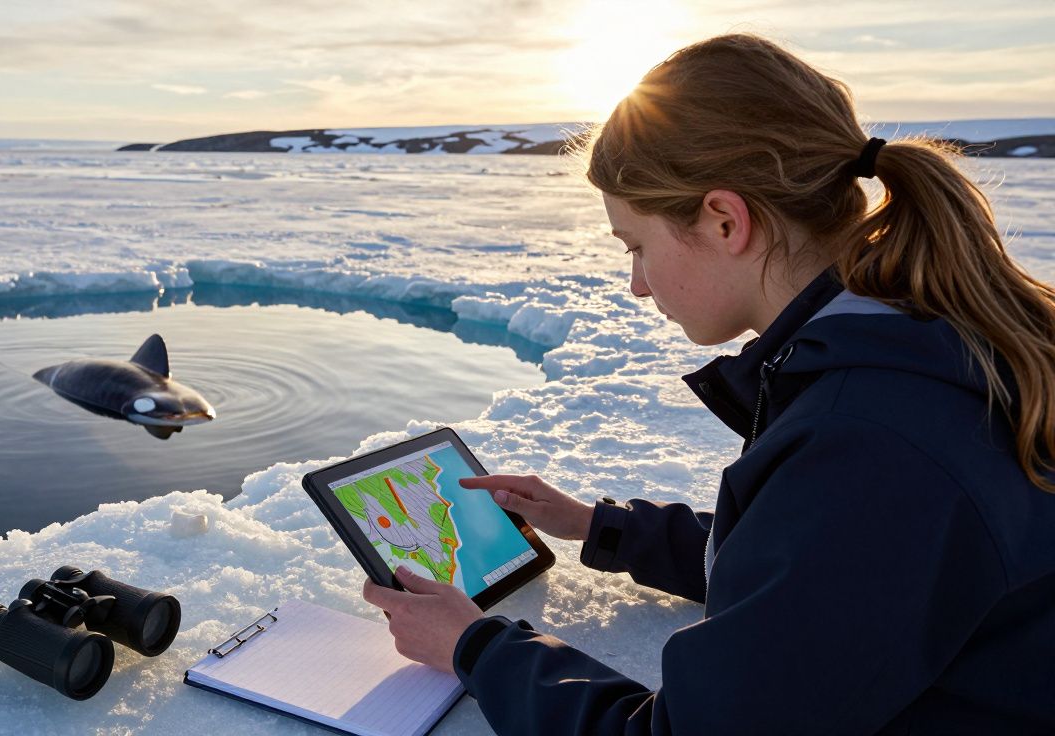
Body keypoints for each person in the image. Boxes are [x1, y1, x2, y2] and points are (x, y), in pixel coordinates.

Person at [361, 33, 1055, 734]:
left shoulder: (870, 437)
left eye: (637, 246)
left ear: (725, 221)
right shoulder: (910, 344)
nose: (637, 284)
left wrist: (474, 647)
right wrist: (601, 528)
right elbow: (822, 574)